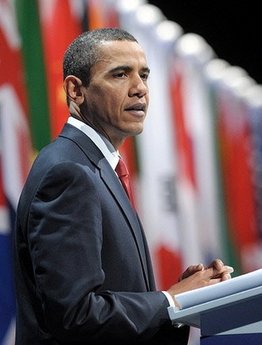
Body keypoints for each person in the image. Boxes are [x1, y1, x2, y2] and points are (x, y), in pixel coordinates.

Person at [13, 28, 233, 345]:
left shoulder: (97, 166)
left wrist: (180, 302)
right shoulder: (68, 172)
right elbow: (75, 314)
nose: (140, 89)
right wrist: (171, 302)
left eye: (144, 75)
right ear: (76, 90)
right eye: (120, 74)